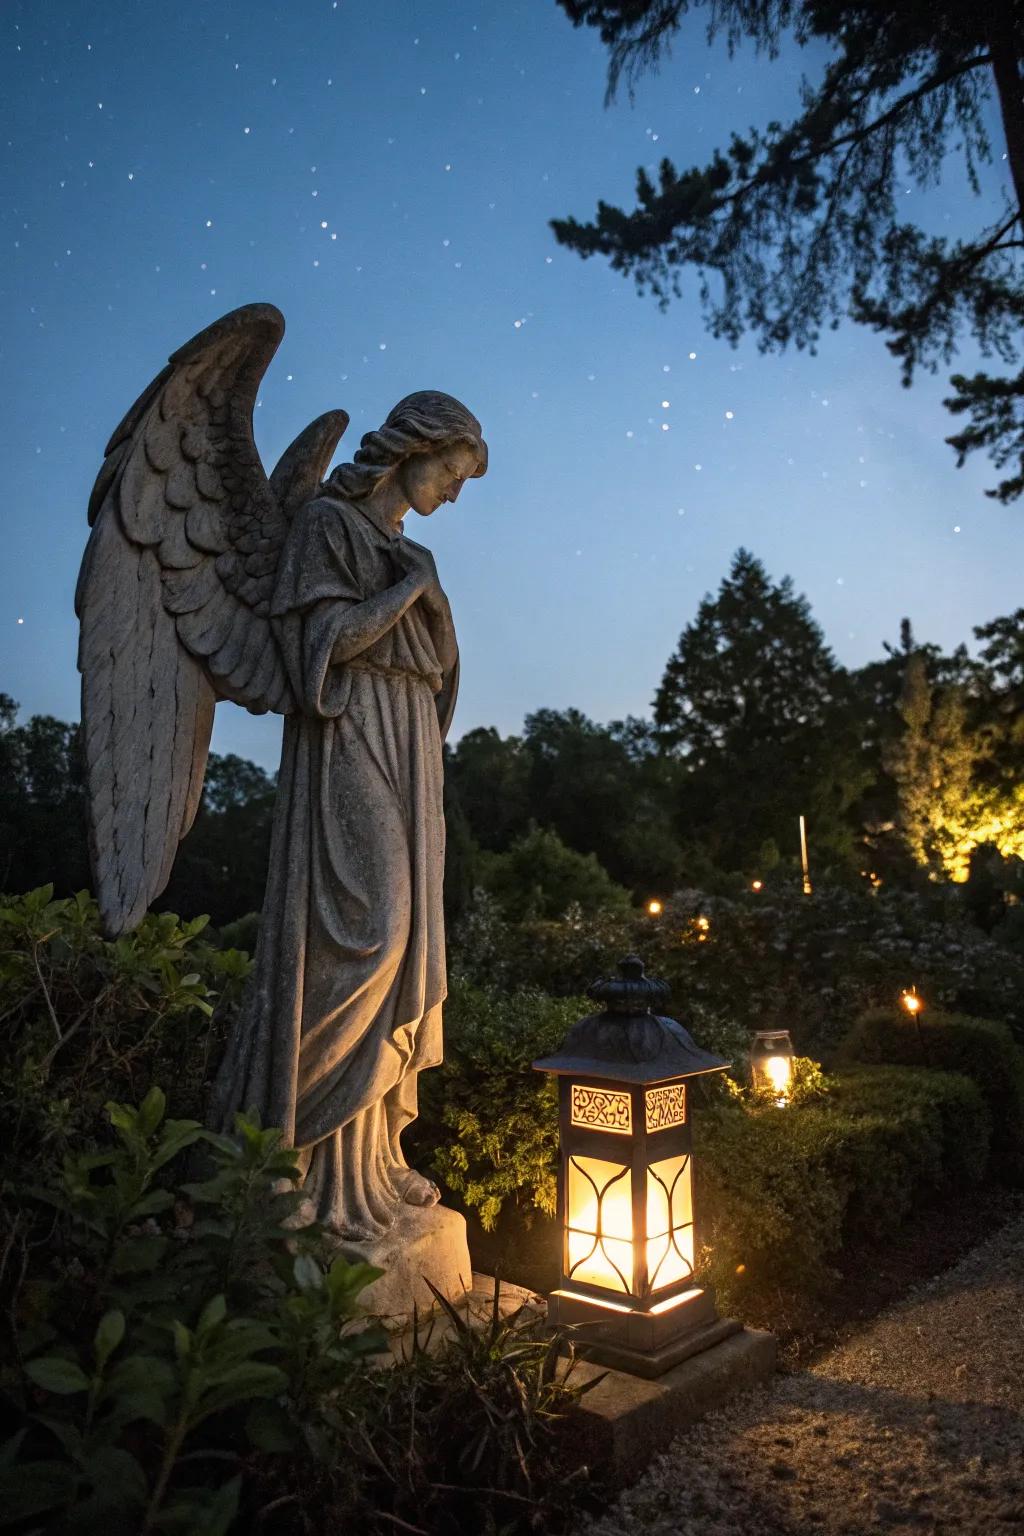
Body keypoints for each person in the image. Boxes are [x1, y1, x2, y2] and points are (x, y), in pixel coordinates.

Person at [210, 392, 487, 1239]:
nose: (454, 491)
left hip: (411, 741)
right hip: (350, 729)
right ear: (411, 449)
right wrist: (412, 591)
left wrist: (428, 596)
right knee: (373, 932)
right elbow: (320, 650)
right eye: (451, 470)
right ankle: (292, 1151)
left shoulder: (412, 552)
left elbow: (442, 669)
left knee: (409, 952)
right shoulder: (328, 525)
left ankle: (368, 1161)